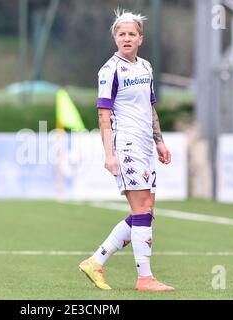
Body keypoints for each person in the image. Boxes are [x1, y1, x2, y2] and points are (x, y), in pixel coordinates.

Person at [78, 9, 174, 292]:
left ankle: (95, 262)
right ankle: (144, 278)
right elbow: (103, 116)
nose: (127, 38)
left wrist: (159, 140)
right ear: (115, 38)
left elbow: (150, 106)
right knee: (142, 210)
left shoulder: (145, 67)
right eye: (122, 34)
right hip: (127, 145)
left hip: (146, 144)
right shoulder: (110, 70)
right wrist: (109, 154)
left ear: (140, 39)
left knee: (147, 211)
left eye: (132, 33)